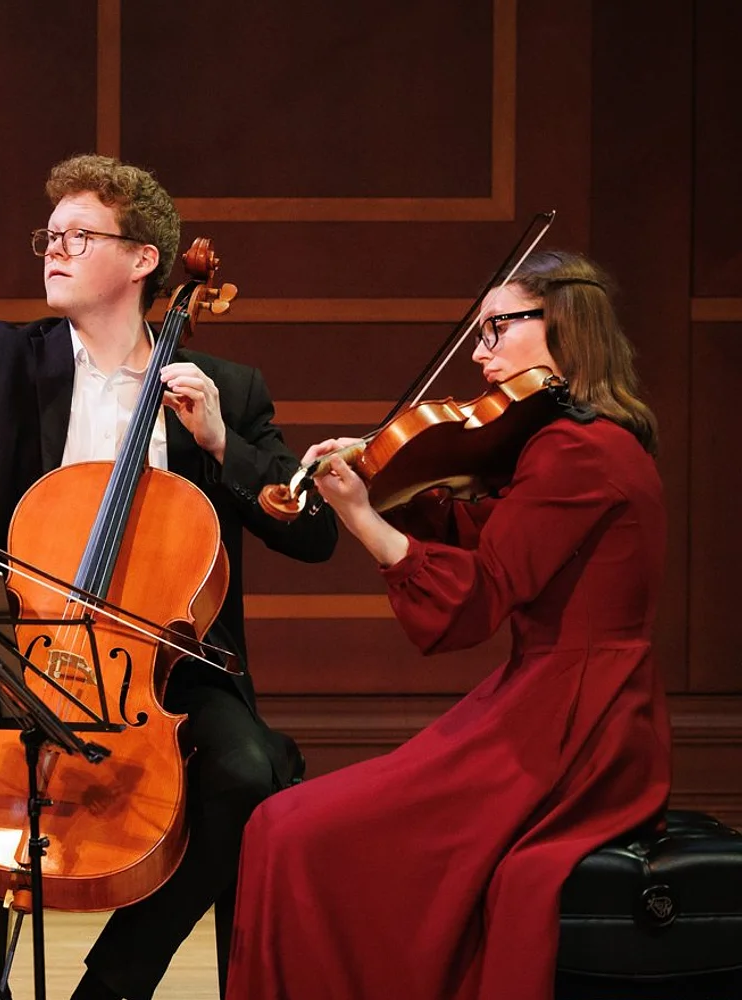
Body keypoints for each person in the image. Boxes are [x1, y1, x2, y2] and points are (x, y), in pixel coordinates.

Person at [0, 154, 337, 1000]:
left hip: (164, 671)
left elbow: (313, 532)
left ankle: (114, 985)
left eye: (79, 236)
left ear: (143, 259)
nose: (55, 251)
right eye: (50, 236)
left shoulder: (226, 390)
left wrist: (221, 442)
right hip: (15, 646)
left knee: (248, 777)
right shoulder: (5, 360)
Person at [227, 250, 671, 1000]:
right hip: (572, 703)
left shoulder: (576, 450)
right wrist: (388, 485)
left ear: (563, 324)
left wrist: (362, 515)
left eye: (499, 327)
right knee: (291, 827)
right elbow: (492, 534)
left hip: (576, 726)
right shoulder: (583, 441)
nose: (479, 350)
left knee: (290, 830)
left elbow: (477, 598)